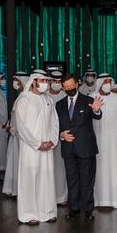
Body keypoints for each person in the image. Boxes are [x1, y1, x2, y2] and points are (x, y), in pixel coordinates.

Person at [14, 70, 60, 225]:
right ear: (33, 81)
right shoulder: (24, 99)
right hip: (31, 148)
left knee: (46, 179)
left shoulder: (49, 99)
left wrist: (52, 141)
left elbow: (55, 122)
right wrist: (37, 143)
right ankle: (29, 214)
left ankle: (48, 212)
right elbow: (21, 126)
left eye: (46, 81)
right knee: (30, 180)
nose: (45, 84)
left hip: (47, 147)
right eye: (42, 80)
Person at [55, 73, 103, 220]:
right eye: (66, 86)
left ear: (76, 84)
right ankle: (73, 209)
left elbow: (97, 115)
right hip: (68, 149)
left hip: (86, 148)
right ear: (63, 87)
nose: (69, 88)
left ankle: (88, 209)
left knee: (87, 180)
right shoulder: (59, 105)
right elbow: (55, 126)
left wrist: (96, 109)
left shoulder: (88, 100)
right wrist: (61, 135)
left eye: (71, 85)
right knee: (72, 179)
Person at [93, 74, 117, 208]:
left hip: (115, 142)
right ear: (100, 83)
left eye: (110, 81)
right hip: (97, 140)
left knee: (115, 168)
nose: (108, 83)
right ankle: (99, 200)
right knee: (98, 170)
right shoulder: (92, 98)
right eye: (105, 81)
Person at [2, 72, 31, 197]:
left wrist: (12, 130)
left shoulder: (26, 97)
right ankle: (14, 189)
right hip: (15, 136)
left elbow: (24, 120)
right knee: (14, 161)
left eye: (17, 80)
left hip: (21, 137)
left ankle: (21, 190)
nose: (15, 83)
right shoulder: (20, 96)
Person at [48, 70, 68, 206]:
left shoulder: (65, 96)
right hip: (47, 138)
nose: (55, 84)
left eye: (58, 81)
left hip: (62, 137)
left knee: (61, 168)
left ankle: (62, 197)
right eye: (53, 81)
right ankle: (48, 198)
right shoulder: (44, 96)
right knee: (48, 168)